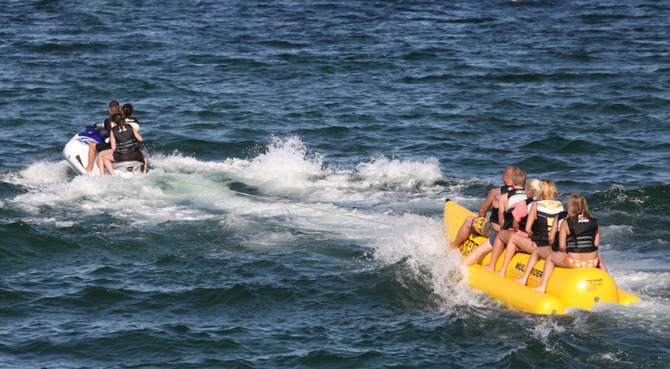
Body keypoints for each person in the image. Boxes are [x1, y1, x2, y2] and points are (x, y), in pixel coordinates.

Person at [533, 194, 607, 293]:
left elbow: (562, 246)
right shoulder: (594, 222)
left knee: (550, 258)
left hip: (574, 262)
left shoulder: (566, 222)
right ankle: (609, 284)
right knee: (600, 261)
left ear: (571, 206)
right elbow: (596, 244)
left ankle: (542, 286)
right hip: (592, 261)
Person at [493, 179, 565, 278]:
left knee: (513, 238)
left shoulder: (536, 205)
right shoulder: (561, 206)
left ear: (542, 191)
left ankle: (502, 270)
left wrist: (532, 235)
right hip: (553, 247)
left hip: (537, 245)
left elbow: (527, 229)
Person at [463, 168, 526, 267]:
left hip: (504, 234)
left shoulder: (503, 196)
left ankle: (458, 265)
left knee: (480, 249)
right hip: (524, 237)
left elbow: (499, 220)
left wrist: (502, 232)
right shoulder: (531, 197)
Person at [483, 175, 540, 274]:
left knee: (504, 234)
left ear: (529, 191)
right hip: (543, 243)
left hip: (529, 241)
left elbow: (516, 226)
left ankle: (496, 267)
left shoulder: (523, 204)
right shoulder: (544, 204)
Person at [450, 167, 515, 252]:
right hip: (514, 233)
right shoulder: (524, 194)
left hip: (495, 231)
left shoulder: (495, 192)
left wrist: (480, 227)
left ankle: (454, 246)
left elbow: (482, 210)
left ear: (505, 177)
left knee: (468, 220)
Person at [98, 113, 147, 177]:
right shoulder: (130, 126)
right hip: (136, 154)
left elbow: (113, 148)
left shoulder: (113, 130)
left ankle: (109, 175)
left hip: (122, 156)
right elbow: (140, 139)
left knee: (104, 158)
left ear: (114, 122)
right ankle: (144, 172)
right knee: (145, 155)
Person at [84, 101, 120, 173]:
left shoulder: (108, 121)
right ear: (120, 109)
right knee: (104, 139)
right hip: (125, 145)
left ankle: (89, 168)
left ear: (110, 111)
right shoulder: (124, 119)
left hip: (114, 147)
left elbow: (110, 132)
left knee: (92, 145)